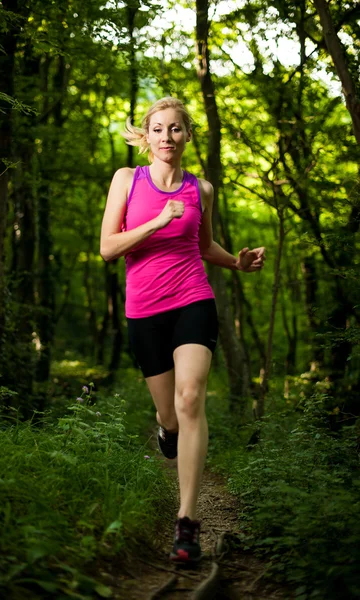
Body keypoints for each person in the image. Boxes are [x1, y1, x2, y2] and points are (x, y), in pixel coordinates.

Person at [100, 97, 265, 563]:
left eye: (175, 129)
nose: (167, 137)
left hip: (193, 298)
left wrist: (237, 262)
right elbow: (108, 248)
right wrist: (157, 220)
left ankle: (187, 523)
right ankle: (164, 427)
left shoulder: (202, 190)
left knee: (190, 398)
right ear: (146, 137)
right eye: (158, 129)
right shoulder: (126, 181)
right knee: (170, 414)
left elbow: (204, 243)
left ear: (187, 136)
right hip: (144, 309)